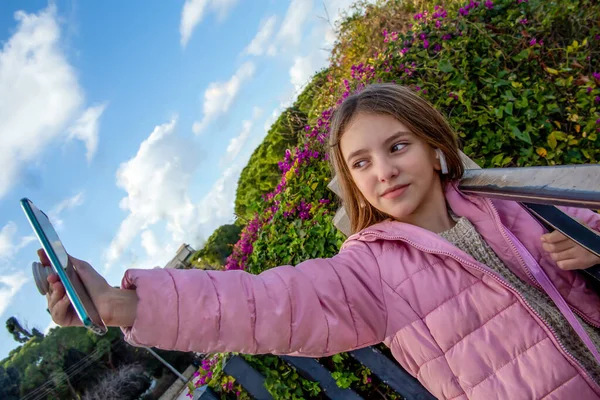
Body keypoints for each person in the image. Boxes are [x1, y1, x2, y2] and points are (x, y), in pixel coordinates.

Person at [42, 83, 600, 399]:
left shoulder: (516, 202)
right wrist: (129, 305)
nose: (383, 170)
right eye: (362, 162)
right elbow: (263, 305)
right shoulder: (367, 273)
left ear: (435, 148)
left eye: (398, 146)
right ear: (352, 182)